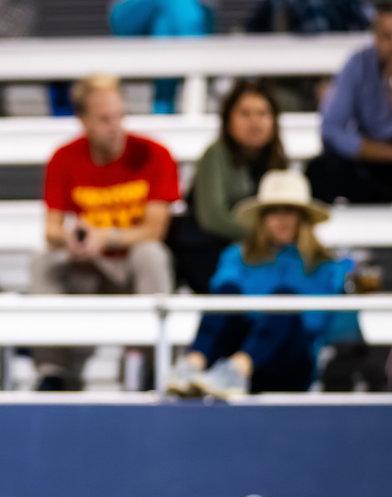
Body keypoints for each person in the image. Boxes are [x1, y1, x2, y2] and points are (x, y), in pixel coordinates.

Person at [31, 74, 178, 392]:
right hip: (89, 267)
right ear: (82, 120)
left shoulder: (154, 154)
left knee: (151, 255)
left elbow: (155, 230)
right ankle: (54, 371)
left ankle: (151, 365)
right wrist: (71, 237)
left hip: (130, 267)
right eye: (104, 119)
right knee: (43, 263)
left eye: (119, 116)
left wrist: (106, 236)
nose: (115, 127)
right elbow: (51, 230)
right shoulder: (64, 157)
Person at [167, 169, 354, 399]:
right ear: (262, 218)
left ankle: (235, 369)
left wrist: (264, 315)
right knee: (228, 293)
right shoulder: (237, 255)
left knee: (283, 301)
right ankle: (193, 364)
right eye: (274, 212)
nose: (281, 220)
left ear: (302, 218)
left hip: (289, 361)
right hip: (235, 349)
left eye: (290, 212)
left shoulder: (324, 266)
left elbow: (313, 322)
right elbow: (224, 298)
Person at [170, 80, 287, 294]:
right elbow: (213, 217)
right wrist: (266, 234)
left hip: (258, 252)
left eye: (262, 113)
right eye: (245, 114)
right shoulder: (215, 155)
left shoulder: (277, 161)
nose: (255, 122)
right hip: (209, 252)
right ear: (228, 119)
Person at [307, 1, 392, 204]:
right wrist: (385, 154)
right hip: (373, 157)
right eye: (387, 37)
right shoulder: (359, 63)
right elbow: (331, 129)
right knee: (321, 170)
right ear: (375, 36)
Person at [108, 0, 215, 114]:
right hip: (130, 13)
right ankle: (202, 77)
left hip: (186, 16)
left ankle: (162, 110)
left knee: (163, 25)